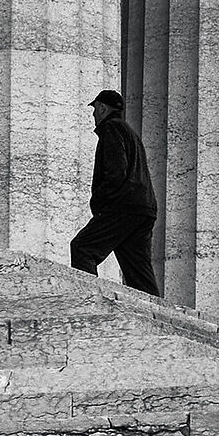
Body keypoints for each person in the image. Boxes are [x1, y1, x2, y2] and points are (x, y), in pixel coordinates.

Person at [70, 89, 160, 295]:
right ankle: (154, 315)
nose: (93, 115)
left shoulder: (111, 129)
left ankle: (88, 301)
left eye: (94, 109)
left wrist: (99, 202)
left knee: (83, 247)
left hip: (123, 206)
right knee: (139, 272)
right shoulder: (130, 133)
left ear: (102, 108)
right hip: (143, 208)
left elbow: (115, 173)